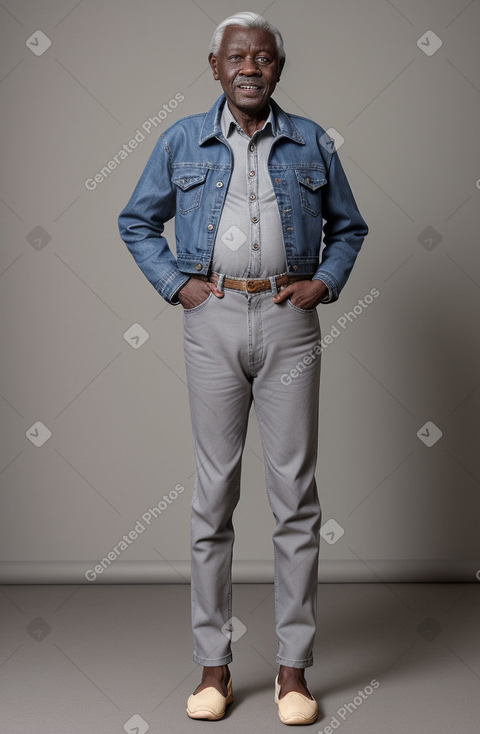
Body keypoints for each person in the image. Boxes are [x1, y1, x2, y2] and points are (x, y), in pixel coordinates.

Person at [118, 11, 368, 725]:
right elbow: (136, 219)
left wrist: (323, 281)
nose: (250, 67)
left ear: (277, 69)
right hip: (213, 319)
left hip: (290, 320)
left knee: (294, 496)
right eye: (237, 57)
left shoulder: (311, 141)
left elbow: (349, 227)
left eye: (262, 57)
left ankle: (293, 674)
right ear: (214, 66)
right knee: (212, 495)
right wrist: (177, 285)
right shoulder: (180, 140)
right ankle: (213, 669)